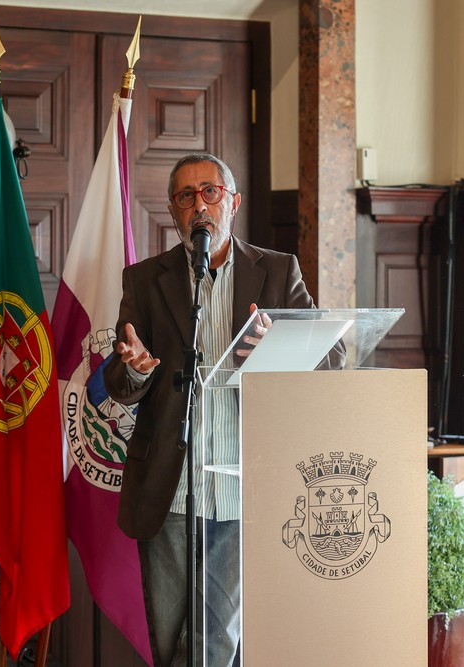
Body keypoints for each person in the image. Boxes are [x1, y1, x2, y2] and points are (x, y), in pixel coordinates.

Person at [103, 153, 318, 666]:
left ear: (233, 202)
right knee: (171, 643)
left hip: (242, 487)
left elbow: (326, 358)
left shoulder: (278, 271)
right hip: (170, 488)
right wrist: (136, 367)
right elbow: (119, 381)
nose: (199, 204)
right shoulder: (145, 280)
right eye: (186, 196)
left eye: (210, 192)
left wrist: (276, 348)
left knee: (214, 645)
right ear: (173, 211)